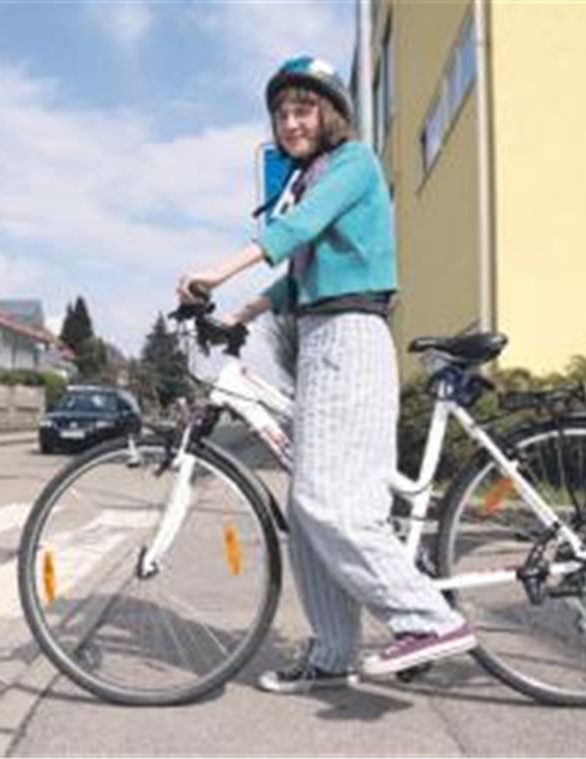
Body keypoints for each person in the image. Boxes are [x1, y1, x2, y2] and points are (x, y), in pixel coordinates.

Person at [176, 55, 477, 695]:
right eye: (282, 112)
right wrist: (243, 311)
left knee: (328, 502)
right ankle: (335, 652)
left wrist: (216, 271)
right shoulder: (315, 175)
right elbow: (304, 268)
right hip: (321, 339)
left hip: (349, 339)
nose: (290, 121)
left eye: (303, 108)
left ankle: (428, 619)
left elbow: (297, 231)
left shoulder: (352, 164)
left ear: (330, 112)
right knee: (307, 508)